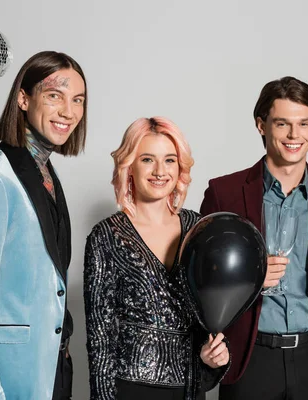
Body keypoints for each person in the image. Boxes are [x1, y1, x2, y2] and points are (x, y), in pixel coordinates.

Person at [200, 76, 308, 400]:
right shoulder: (225, 193)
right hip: (248, 357)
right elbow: (200, 280)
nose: (295, 135)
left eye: (304, 123)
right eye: (283, 124)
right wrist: (248, 281)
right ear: (261, 125)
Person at [0, 51, 87, 399]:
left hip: (49, 375)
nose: (68, 111)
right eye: (55, 96)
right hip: (4, 384)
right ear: (23, 99)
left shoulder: (46, 174)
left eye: (78, 100)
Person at [84, 117, 230, 400]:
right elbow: (100, 338)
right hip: (131, 389)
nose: (160, 171)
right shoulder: (106, 236)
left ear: (180, 167)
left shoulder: (198, 228)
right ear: (129, 166)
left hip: (189, 388)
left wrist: (216, 354)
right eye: (148, 159)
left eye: (170, 160)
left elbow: (215, 311)